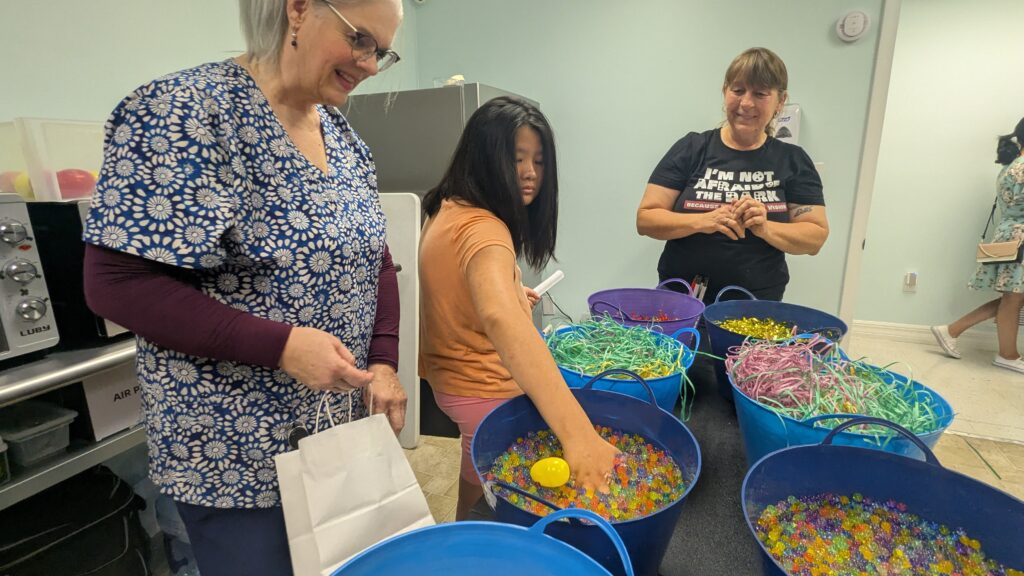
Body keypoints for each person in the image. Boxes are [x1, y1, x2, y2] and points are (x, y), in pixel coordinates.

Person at [81, 1, 406, 574]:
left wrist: (382, 361)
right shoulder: (184, 112)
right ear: (299, 9)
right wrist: (279, 345)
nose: (370, 64)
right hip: (232, 454)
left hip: (333, 434)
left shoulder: (346, 140)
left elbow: (375, 262)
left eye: (381, 50)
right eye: (360, 40)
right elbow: (116, 284)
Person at [419, 97, 618, 520]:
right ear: (485, 159)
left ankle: (465, 530)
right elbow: (500, 319)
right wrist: (579, 435)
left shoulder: (448, 208)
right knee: (499, 498)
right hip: (482, 387)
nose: (530, 172)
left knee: (475, 473)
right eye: (517, 159)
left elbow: (465, 294)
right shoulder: (487, 230)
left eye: (539, 161)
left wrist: (511, 291)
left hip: (449, 380)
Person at [636, 47, 829, 303]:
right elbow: (646, 219)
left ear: (780, 101)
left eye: (760, 94)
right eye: (738, 90)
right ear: (725, 90)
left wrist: (765, 228)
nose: (746, 103)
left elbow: (815, 237)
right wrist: (703, 221)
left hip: (755, 304)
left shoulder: (792, 160)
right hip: (682, 298)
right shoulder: (692, 148)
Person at [932, 117, 1024, 374]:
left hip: (1010, 235)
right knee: (1013, 298)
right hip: (1020, 238)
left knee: (1013, 298)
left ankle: (953, 330)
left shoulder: (1011, 166)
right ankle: (1006, 354)